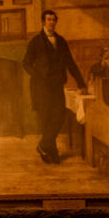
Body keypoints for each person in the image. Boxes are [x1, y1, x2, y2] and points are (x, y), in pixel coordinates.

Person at [22, 10, 86, 164]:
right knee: (46, 119)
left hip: (57, 85)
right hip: (41, 87)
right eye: (49, 19)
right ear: (43, 22)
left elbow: (70, 63)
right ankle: (52, 151)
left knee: (60, 116)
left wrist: (81, 82)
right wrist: (37, 75)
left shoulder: (61, 41)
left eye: (53, 20)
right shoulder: (35, 42)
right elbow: (26, 63)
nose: (51, 22)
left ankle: (43, 145)